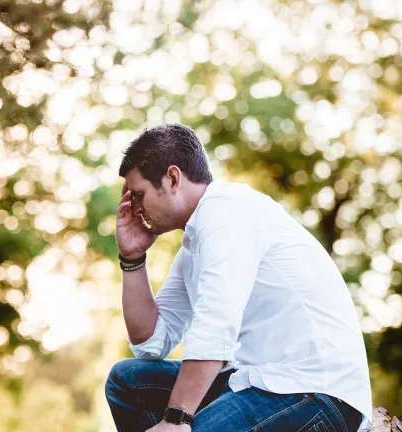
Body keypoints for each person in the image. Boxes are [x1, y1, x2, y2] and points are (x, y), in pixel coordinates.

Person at [105, 124, 372, 432]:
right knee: (127, 381)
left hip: (315, 392)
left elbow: (215, 324)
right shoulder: (194, 247)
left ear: (173, 179)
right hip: (257, 383)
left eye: (138, 194)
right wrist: (133, 258)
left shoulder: (227, 212)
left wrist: (176, 419)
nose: (134, 207)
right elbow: (152, 342)